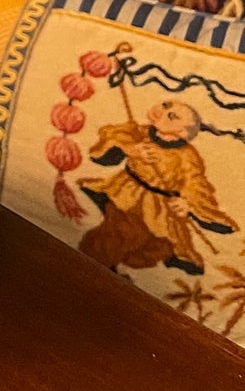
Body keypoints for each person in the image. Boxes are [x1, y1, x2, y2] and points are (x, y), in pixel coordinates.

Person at [78, 98, 236, 278]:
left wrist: (188, 205)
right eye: (165, 105)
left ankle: (111, 270)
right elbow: (106, 148)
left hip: (159, 209)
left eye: (172, 116)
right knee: (121, 230)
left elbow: (195, 185)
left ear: (182, 132)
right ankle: (90, 267)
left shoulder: (187, 157)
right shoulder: (140, 133)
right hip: (125, 194)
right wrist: (132, 150)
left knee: (157, 247)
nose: (161, 111)